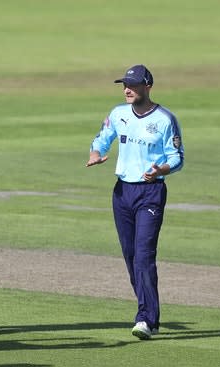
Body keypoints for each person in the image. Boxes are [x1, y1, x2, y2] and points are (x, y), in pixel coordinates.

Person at [86, 64, 184, 340]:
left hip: (150, 192)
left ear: (147, 86)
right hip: (122, 193)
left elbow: (177, 157)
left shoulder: (165, 119)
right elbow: (102, 139)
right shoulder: (118, 114)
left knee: (143, 256)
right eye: (124, 85)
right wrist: (96, 153)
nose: (127, 89)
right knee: (131, 257)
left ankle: (146, 318)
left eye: (133, 85)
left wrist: (161, 170)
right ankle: (147, 312)